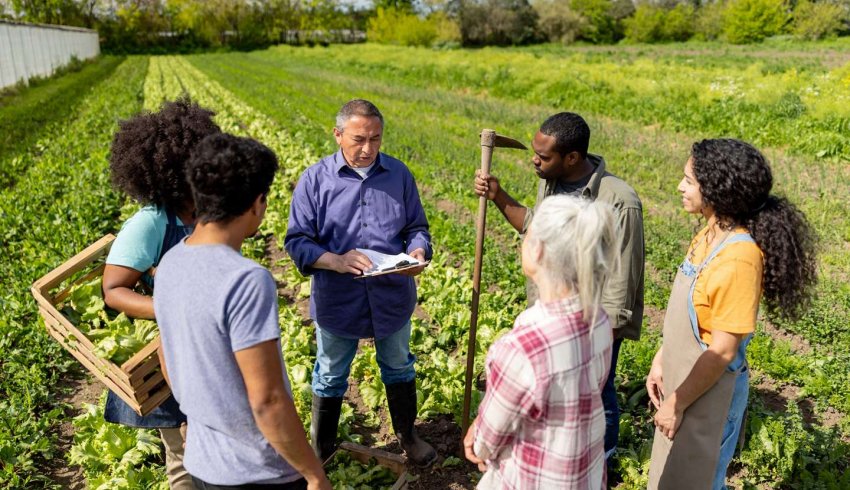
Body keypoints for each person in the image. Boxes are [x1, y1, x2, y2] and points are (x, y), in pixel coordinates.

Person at [154, 132, 331, 490]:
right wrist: (314, 473)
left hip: (202, 464)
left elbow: (165, 353)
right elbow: (267, 400)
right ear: (256, 203)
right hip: (257, 472)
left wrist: (199, 417)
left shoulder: (170, 263)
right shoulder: (246, 280)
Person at [646, 139, 817, 489]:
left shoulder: (739, 259)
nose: (680, 186)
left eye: (689, 180)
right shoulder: (709, 234)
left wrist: (676, 403)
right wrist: (662, 359)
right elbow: (694, 316)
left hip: (708, 394)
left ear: (716, 189)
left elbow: (721, 350)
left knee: (700, 479)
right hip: (685, 383)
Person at [473, 112, 644, 461]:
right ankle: (564, 459)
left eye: (544, 156)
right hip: (553, 313)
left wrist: (600, 338)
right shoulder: (550, 181)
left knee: (598, 392)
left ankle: (602, 457)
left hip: (594, 323)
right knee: (560, 397)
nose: (535, 160)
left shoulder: (618, 200)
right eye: (535, 152)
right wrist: (498, 195)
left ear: (572, 158)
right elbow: (536, 228)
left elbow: (623, 279)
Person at [284, 99, 437, 467]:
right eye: (358, 139)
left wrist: (417, 252)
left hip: (392, 296)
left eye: (375, 138)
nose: (367, 148)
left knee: (399, 365)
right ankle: (322, 449)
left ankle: (408, 437)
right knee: (331, 372)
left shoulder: (399, 175)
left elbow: (417, 228)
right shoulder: (315, 180)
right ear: (337, 135)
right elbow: (297, 240)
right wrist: (335, 260)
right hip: (339, 298)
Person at [103, 98, 220, 489]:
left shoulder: (208, 213)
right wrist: (169, 309)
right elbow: (114, 290)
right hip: (168, 353)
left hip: (208, 344)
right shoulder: (151, 223)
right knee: (184, 453)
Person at [463, 195, 618, 489]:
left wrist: (479, 437)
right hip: (584, 475)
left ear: (539, 250)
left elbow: (486, 442)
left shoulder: (521, 349)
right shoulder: (598, 319)